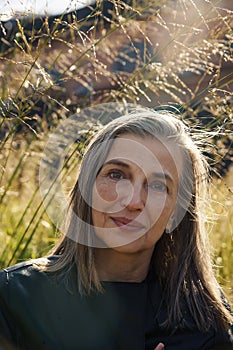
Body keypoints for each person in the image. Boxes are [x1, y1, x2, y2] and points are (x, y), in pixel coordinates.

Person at [0, 106, 232, 350]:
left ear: (176, 212)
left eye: (157, 186)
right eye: (117, 175)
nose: (133, 202)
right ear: (87, 188)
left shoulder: (206, 324)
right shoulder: (15, 300)